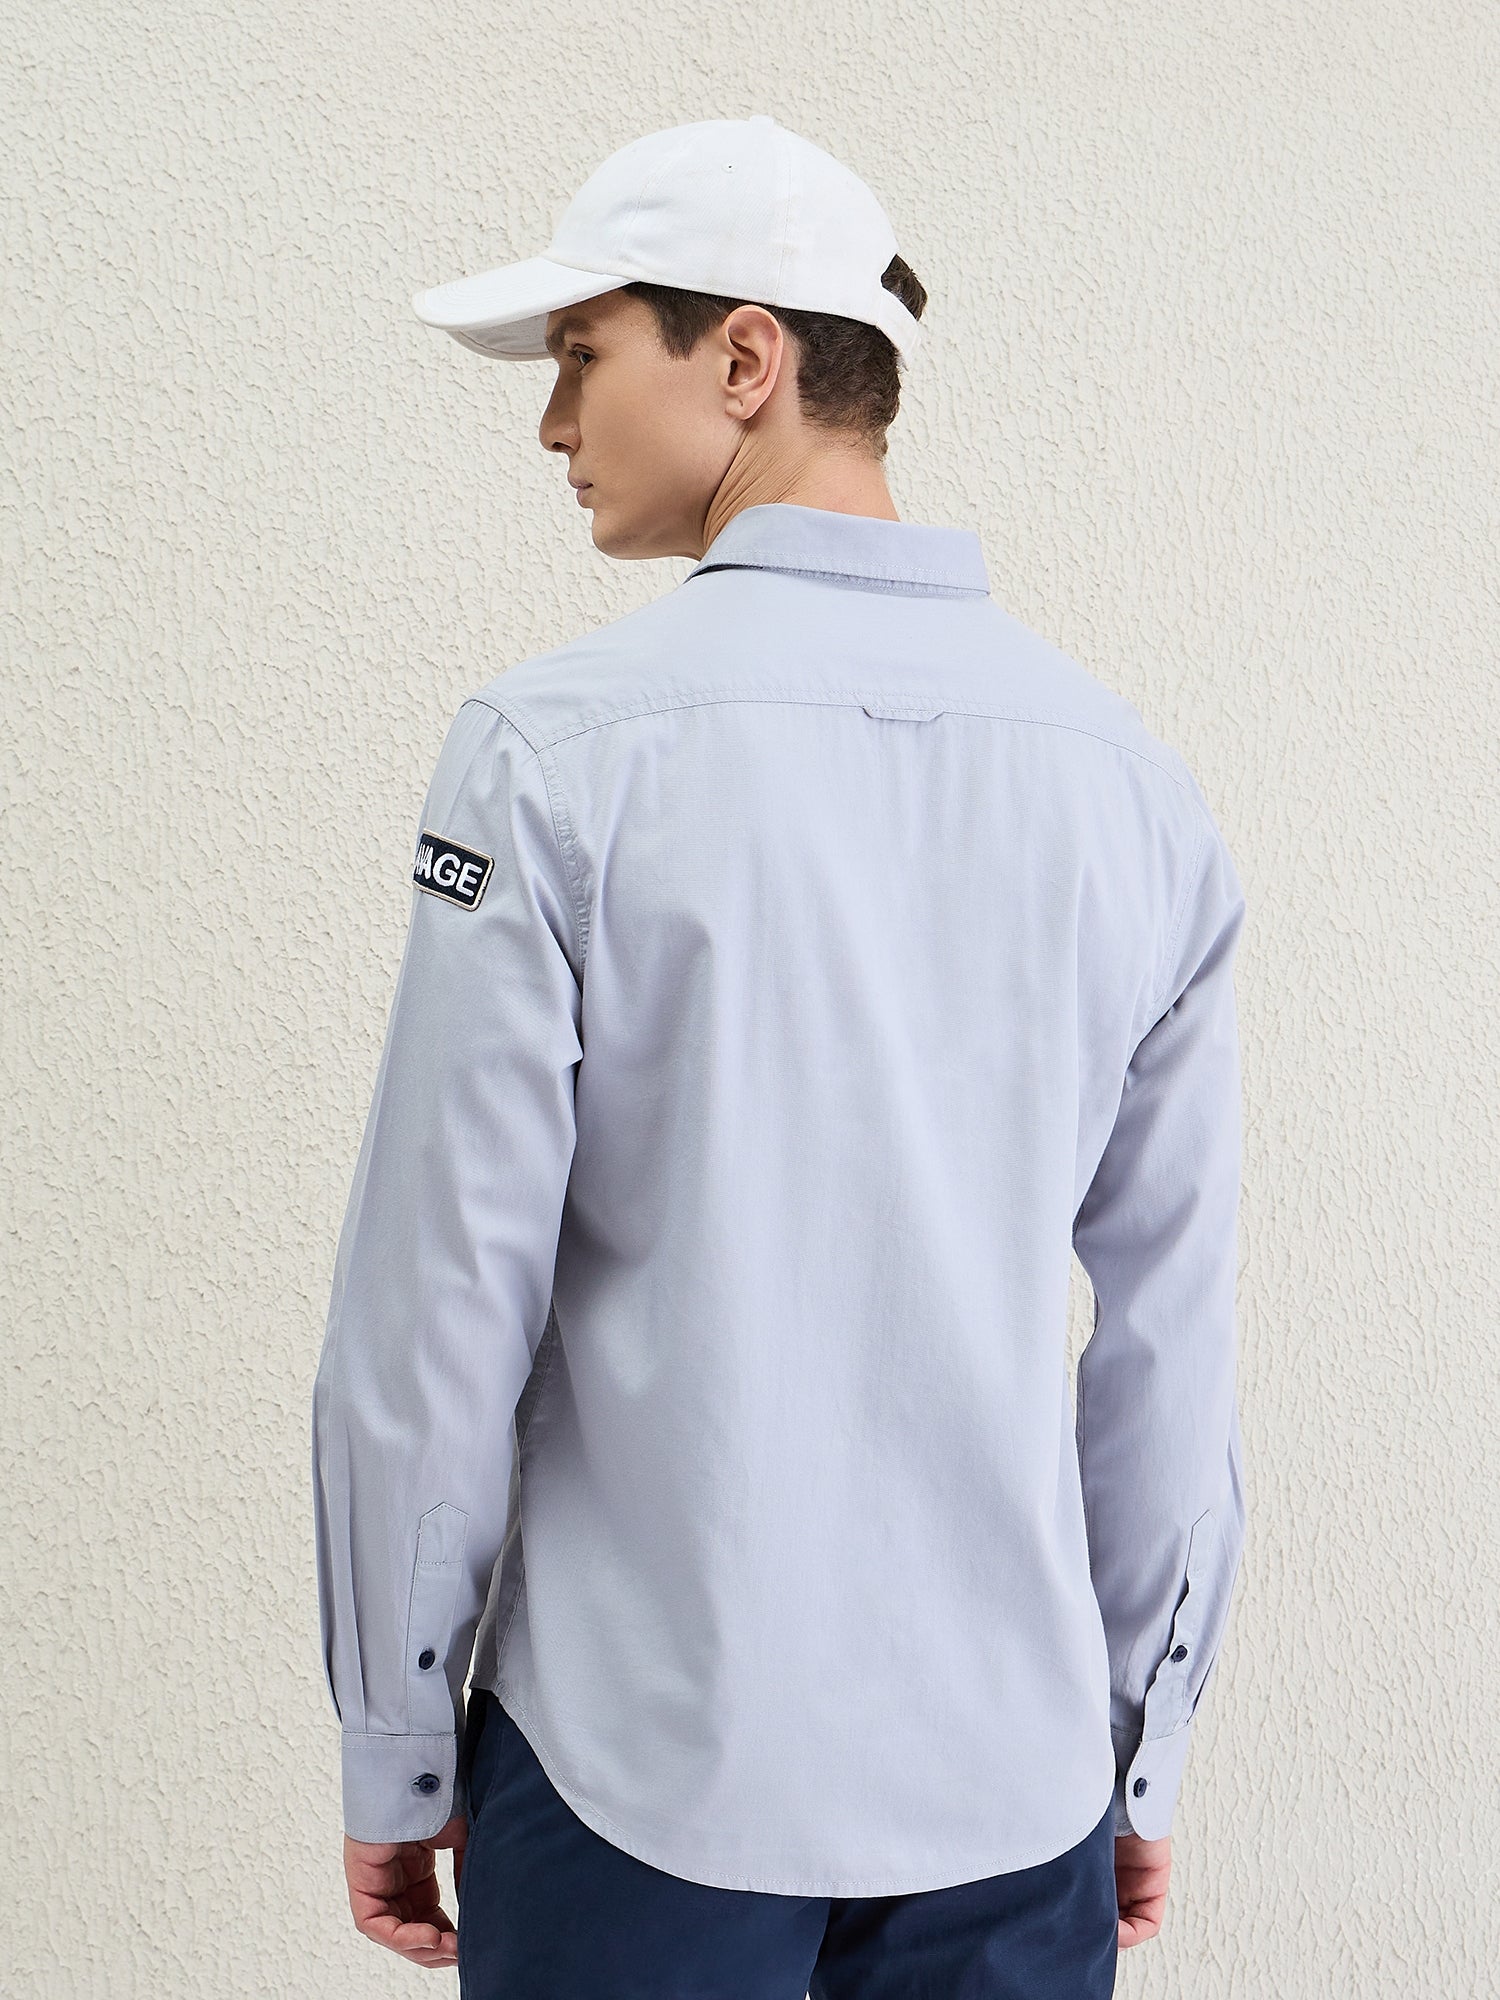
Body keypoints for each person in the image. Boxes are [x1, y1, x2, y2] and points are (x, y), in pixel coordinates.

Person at [310, 113, 1248, 1999]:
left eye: (581, 355)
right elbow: (1170, 1336)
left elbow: (437, 1312)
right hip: (1014, 1792)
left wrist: (396, 1738)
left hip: (638, 1777)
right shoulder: (1136, 794)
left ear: (745, 358)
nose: (552, 424)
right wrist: (1141, 1738)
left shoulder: (552, 758)